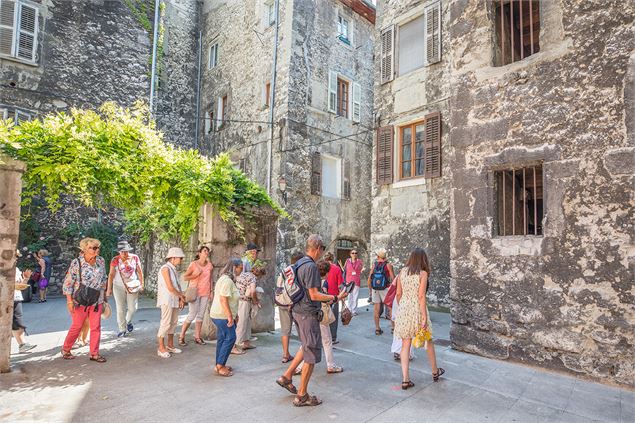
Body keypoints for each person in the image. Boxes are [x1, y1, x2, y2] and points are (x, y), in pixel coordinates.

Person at [276, 234, 348, 407]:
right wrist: (335, 297)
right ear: (317, 248)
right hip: (308, 314)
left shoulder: (299, 263)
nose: (323, 253)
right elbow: (314, 294)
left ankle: (286, 376)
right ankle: (302, 395)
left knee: (305, 347)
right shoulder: (311, 267)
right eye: (322, 249)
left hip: (298, 312)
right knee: (311, 355)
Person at [395, 248, 444, 389]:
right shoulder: (423, 274)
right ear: (423, 259)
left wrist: (403, 307)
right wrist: (423, 316)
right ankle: (435, 372)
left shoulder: (402, 272)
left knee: (405, 344)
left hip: (404, 308)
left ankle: (405, 379)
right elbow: (421, 296)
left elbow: (398, 294)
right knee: (427, 340)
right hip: (417, 308)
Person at [60, 238, 108, 363]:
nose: (97, 250)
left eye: (98, 247)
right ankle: (66, 349)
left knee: (96, 327)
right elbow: (68, 283)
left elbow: (103, 280)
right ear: (85, 249)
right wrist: (69, 301)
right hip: (79, 300)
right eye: (93, 248)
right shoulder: (77, 263)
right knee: (77, 326)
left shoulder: (101, 261)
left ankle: (94, 353)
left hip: (96, 300)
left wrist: (104, 298)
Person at [209, 258, 243, 377]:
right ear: (234, 267)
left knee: (222, 339)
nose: (241, 270)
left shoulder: (224, 279)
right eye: (240, 268)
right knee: (230, 338)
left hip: (220, 314)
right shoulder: (227, 281)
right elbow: (223, 299)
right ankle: (220, 365)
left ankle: (219, 364)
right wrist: (229, 316)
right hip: (222, 315)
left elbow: (230, 299)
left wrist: (235, 315)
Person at [106, 241, 144, 338]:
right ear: (119, 252)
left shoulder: (135, 258)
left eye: (126, 251)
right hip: (118, 286)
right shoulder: (115, 259)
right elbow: (111, 274)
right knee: (120, 308)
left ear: (128, 251)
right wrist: (108, 289)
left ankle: (128, 321)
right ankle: (122, 329)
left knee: (133, 308)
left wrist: (142, 284)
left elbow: (139, 271)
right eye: (122, 251)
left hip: (132, 285)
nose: (124, 253)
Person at [179, 246, 214, 346]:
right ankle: (181, 336)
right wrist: (196, 275)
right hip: (195, 292)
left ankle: (197, 337)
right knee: (192, 314)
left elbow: (210, 279)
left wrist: (211, 291)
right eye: (204, 251)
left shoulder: (210, 265)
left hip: (206, 293)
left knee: (201, 315)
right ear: (199, 253)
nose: (206, 253)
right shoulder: (193, 264)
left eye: (207, 251)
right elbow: (185, 277)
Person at [156, 247, 186, 358]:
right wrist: (181, 297)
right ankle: (161, 347)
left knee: (173, 322)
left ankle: (170, 345)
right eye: (180, 258)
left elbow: (177, 286)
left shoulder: (173, 269)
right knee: (165, 322)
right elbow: (170, 287)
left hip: (174, 299)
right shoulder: (165, 268)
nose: (181, 260)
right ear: (173, 257)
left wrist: (179, 298)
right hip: (167, 299)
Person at [317, 260, 345, 374]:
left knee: (310, 342)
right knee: (327, 341)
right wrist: (339, 296)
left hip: (311, 313)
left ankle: (299, 366)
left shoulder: (313, 281)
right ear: (327, 272)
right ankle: (331, 365)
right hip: (320, 315)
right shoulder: (324, 283)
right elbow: (325, 301)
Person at [279, 251, 304, 363]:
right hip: (294, 303)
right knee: (302, 330)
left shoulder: (284, 271)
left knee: (285, 329)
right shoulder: (298, 270)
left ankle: (285, 354)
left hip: (282, 302)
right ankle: (304, 353)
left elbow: (279, 286)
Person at [234, 260, 266, 351]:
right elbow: (252, 291)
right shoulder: (253, 278)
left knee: (247, 323)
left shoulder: (245, 274)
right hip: (244, 301)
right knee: (242, 323)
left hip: (239, 299)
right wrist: (256, 301)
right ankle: (236, 345)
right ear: (259, 274)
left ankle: (246, 343)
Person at [12, 251, 36, 353]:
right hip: (6, 298)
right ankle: (22, 344)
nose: (16, 259)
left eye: (16, 257)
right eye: (15, 256)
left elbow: (20, 285)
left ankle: (22, 344)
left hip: (16, 297)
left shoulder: (16, 269)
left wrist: (26, 279)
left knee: (17, 322)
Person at [367, 248, 394, 336]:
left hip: (375, 288)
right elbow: (393, 278)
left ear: (378, 256)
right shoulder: (388, 265)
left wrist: (370, 290)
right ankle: (393, 328)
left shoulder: (374, 264)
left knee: (376, 309)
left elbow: (369, 278)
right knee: (390, 308)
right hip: (385, 288)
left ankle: (377, 329)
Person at [323, 252, 343, 344]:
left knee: (323, 317)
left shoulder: (321, 268)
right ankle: (333, 338)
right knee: (333, 318)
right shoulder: (337, 269)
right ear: (333, 258)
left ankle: (324, 337)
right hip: (335, 297)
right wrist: (342, 297)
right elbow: (340, 285)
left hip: (323, 297)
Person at [343, 249, 364, 315]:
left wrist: (361, 270)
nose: (354, 254)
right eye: (353, 253)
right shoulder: (347, 261)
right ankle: (349, 309)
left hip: (356, 280)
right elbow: (344, 269)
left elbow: (362, 268)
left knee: (355, 296)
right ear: (350, 254)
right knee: (349, 296)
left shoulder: (359, 261)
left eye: (356, 253)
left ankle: (353, 311)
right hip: (348, 280)